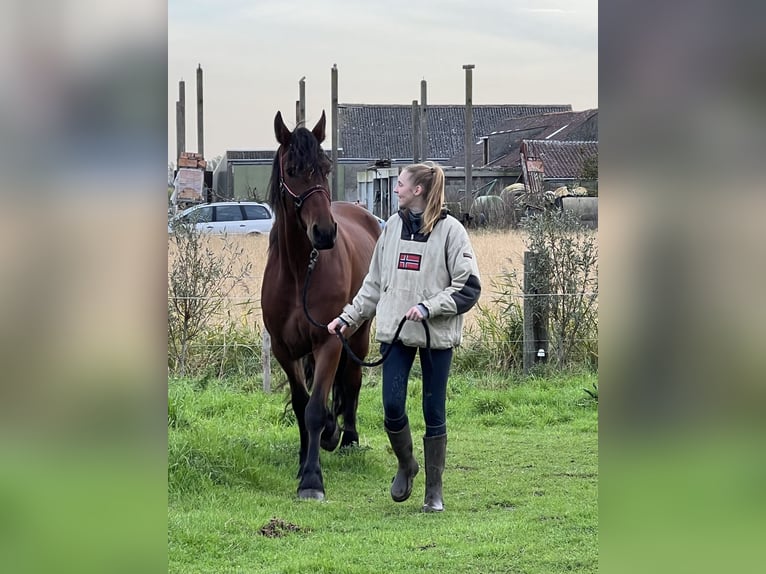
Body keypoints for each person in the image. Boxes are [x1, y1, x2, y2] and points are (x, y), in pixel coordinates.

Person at [327, 161, 481, 512]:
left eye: (399, 184)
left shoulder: (452, 232)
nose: (395, 189)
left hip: (434, 335)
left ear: (418, 190)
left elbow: (469, 287)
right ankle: (406, 464)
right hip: (395, 332)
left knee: (433, 409)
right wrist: (346, 319)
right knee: (392, 407)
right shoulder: (391, 228)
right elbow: (373, 285)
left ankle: (434, 491)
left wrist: (429, 307)